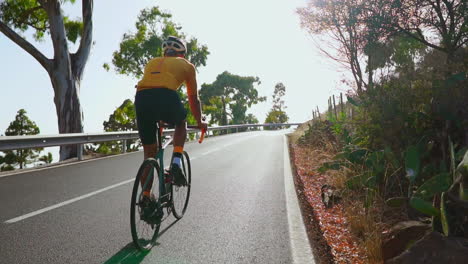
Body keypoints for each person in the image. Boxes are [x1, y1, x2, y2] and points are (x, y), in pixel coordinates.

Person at [135, 36, 207, 193]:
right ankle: (175, 163)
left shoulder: (152, 62)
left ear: (165, 52)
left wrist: (159, 117)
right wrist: (200, 121)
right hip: (166, 95)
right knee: (181, 123)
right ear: (182, 53)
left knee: (149, 154)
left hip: (141, 98)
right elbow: (193, 99)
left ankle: (146, 197)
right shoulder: (187, 65)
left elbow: (152, 90)